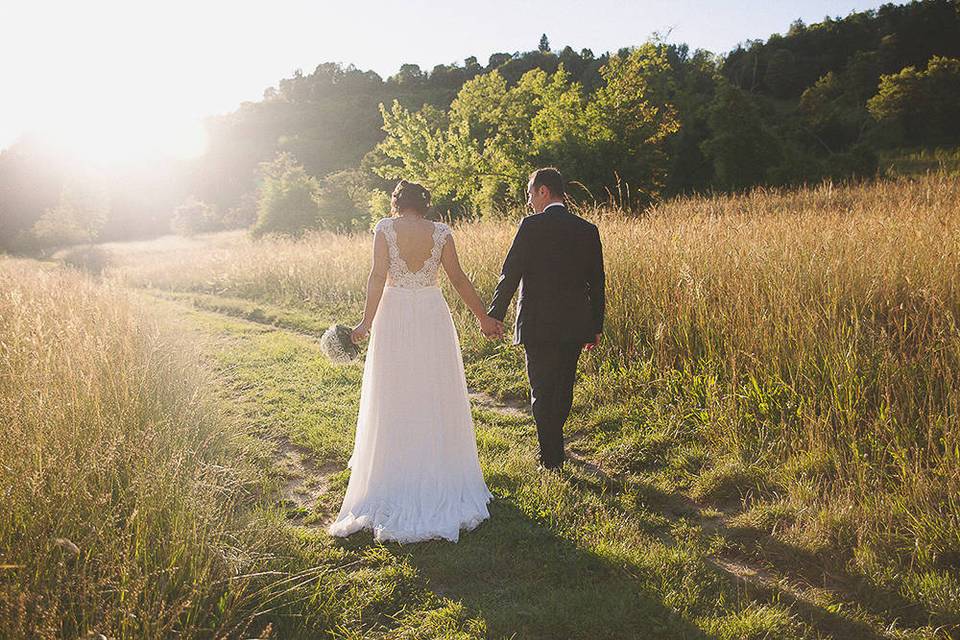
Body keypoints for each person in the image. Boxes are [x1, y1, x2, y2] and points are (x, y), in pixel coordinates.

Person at [327, 179, 500, 543]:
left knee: (395, 393)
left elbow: (377, 276)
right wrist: (483, 317)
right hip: (432, 314)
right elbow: (458, 279)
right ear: (425, 205)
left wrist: (365, 323)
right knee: (433, 391)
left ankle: (395, 474)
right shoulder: (441, 233)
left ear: (396, 203)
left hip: (394, 315)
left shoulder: (385, 228)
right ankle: (437, 471)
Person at [487, 167, 605, 471]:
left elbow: (510, 273)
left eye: (530, 193)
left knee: (541, 389)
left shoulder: (530, 226)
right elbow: (597, 282)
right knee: (563, 388)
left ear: (543, 191)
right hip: (574, 324)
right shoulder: (587, 229)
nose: (528, 201)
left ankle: (550, 457)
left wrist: (495, 315)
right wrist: (596, 326)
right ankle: (554, 450)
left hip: (536, 324)